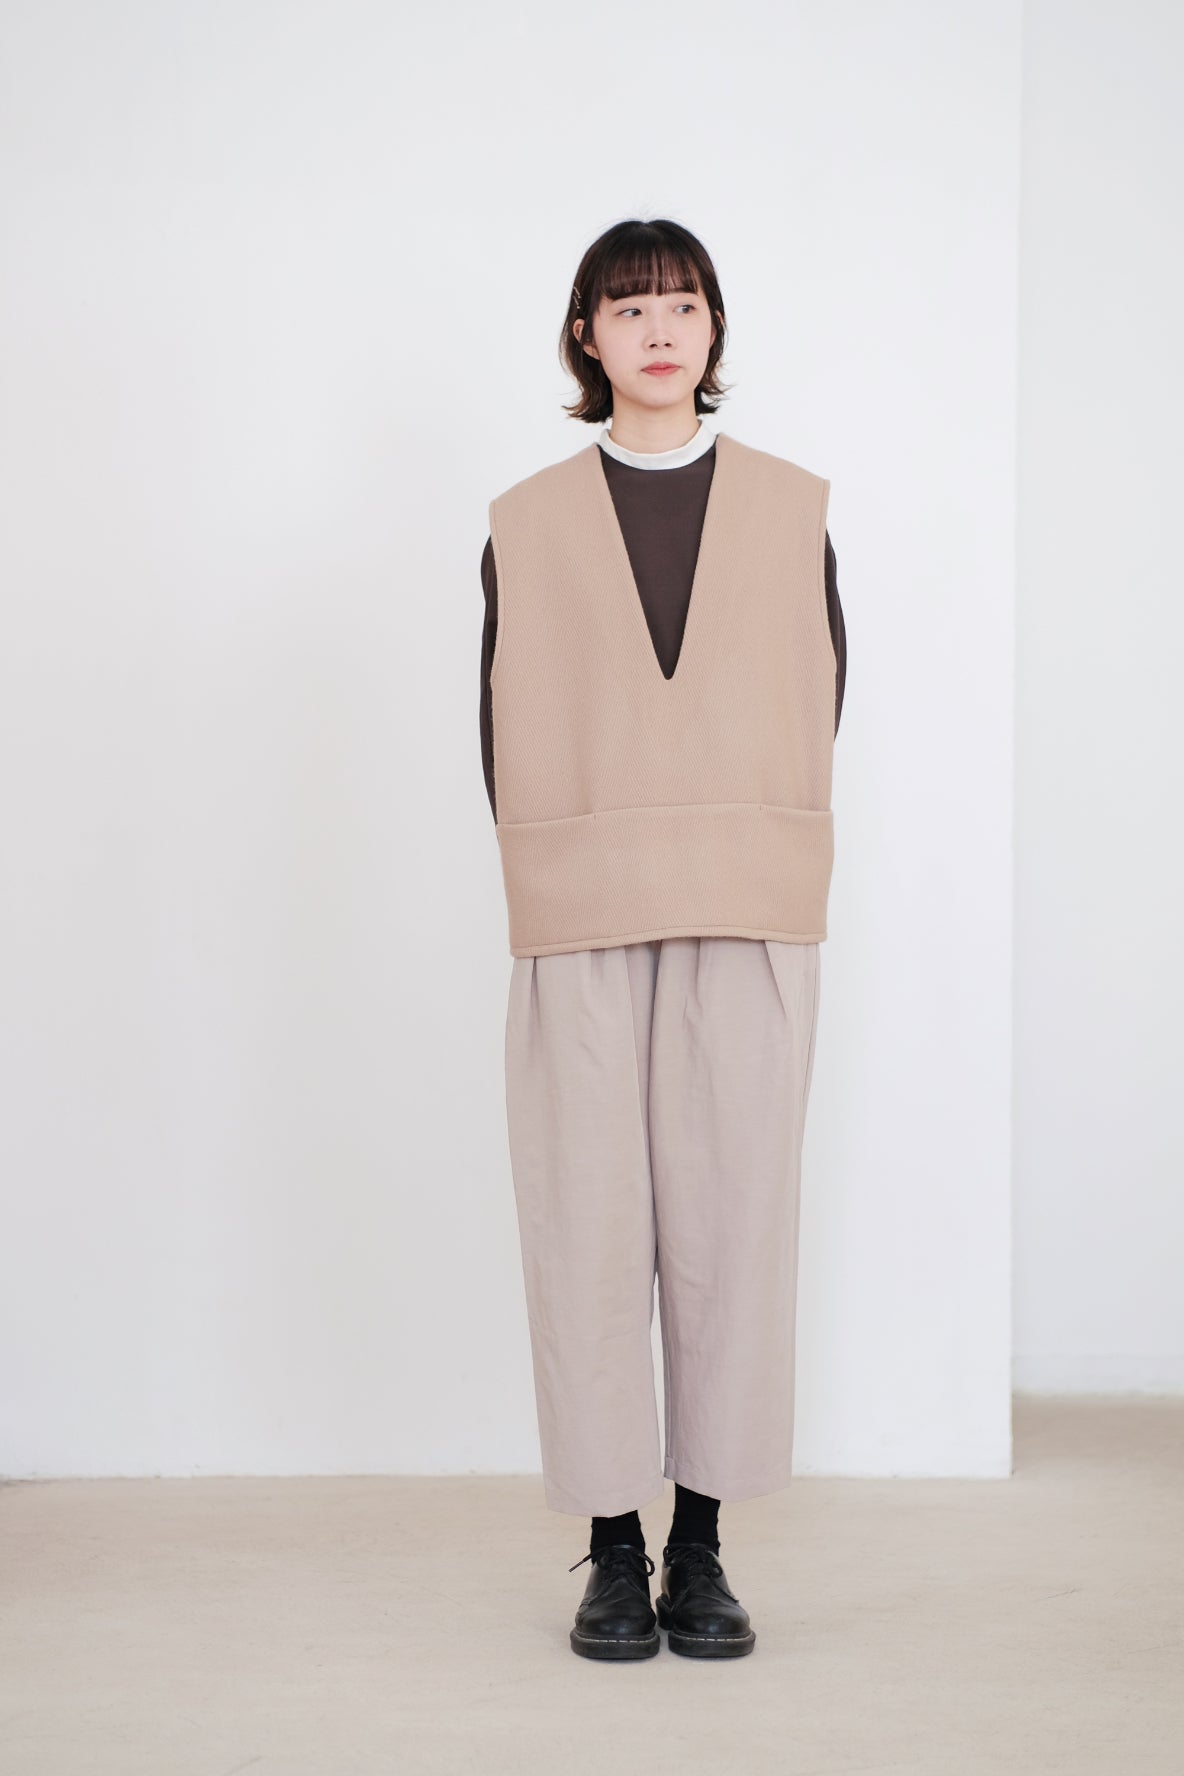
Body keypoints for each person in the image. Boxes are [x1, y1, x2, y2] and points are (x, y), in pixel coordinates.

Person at [479, 218, 846, 1660]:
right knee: (584, 1226)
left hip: (747, 898)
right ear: (587, 335)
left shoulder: (794, 506)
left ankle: (701, 1544)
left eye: (681, 304)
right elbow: (497, 719)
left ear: (714, 328)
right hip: (580, 906)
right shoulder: (524, 520)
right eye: (627, 307)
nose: (657, 330)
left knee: (732, 1224)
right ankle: (613, 1551)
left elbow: (821, 692)